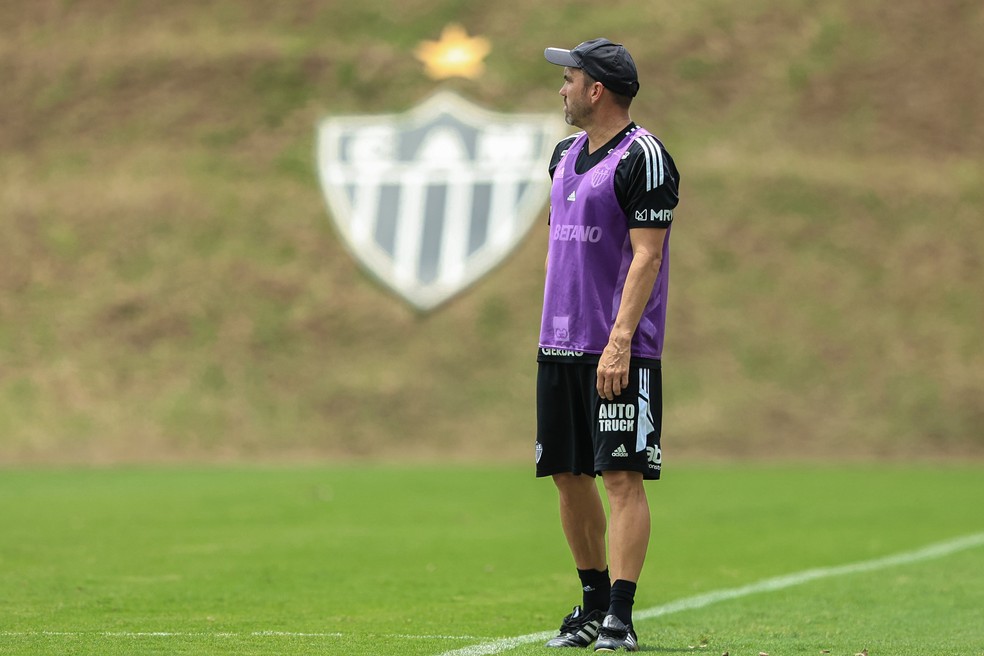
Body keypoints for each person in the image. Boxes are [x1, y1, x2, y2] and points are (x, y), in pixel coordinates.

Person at [536, 38, 680, 652]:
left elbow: (648, 255)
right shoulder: (563, 155)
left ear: (597, 89)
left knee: (620, 477)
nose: (562, 89)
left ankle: (620, 615)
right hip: (558, 343)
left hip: (616, 348)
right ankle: (593, 605)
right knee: (569, 476)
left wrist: (620, 340)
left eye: (569, 79)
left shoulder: (645, 158)